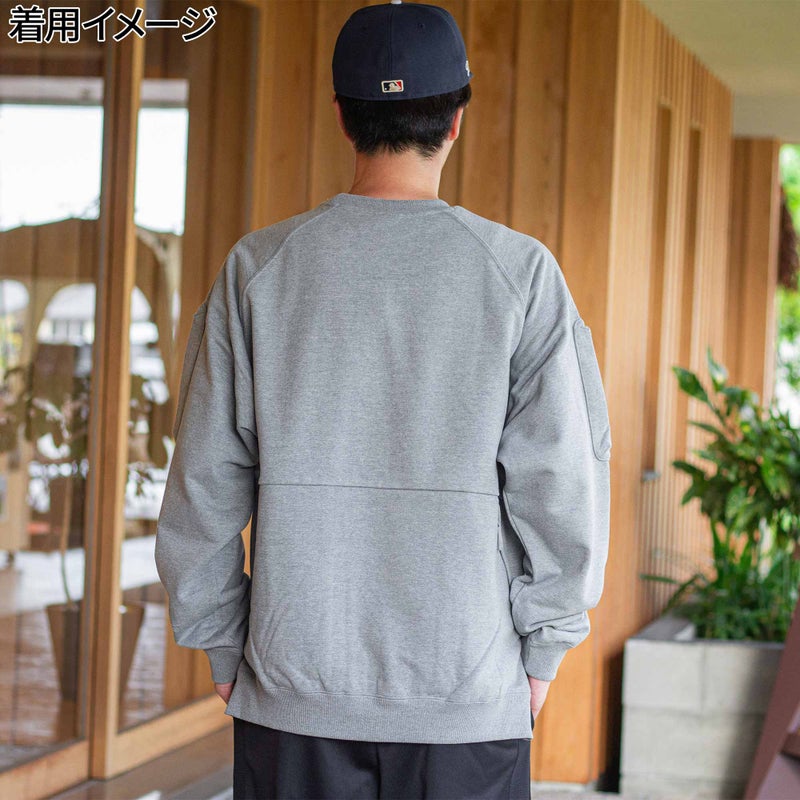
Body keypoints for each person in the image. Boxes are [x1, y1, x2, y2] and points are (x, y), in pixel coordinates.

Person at [154, 1, 612, 798]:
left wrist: (221, 640)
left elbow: (202, 480)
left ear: (342, 116)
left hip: (293, 688)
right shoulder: (521, 274)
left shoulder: (259, 270)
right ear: (456, 120)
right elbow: (564, 480)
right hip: (466, 697)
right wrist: (545, 647)